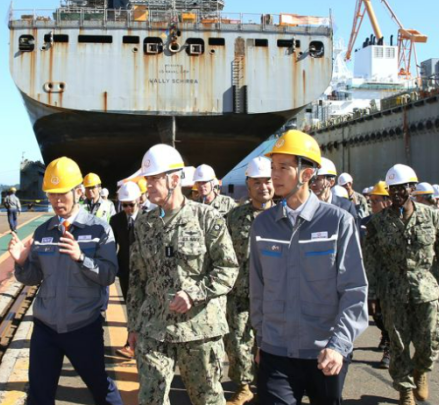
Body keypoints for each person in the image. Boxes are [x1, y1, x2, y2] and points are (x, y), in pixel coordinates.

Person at [249, 130, 368, 405]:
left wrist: (338, 346)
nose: (273, 176)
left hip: (325, 355)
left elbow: (354, 289)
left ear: (306, 173)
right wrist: (262, 340)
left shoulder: (338, 223)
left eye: (283, 168)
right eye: (272, 167)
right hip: (275, 353)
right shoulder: (263, 225)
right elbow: (258, 288)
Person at [127, 144, 238, 405]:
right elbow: (137, 278)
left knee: (207, 399)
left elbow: (228, 269)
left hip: (199, 330)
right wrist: (133, 325)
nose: (149, 186)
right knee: (151, 399)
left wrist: (194, 293)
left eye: (155, 179)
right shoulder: (144, 223)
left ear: (174, 180)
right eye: (147, 179)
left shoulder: (207, 218)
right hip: (154, 329)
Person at [9, 156, 122, 405]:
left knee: (101, 388)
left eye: (62, 194)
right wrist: (21, 263)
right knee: (39, 394)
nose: (57, 201)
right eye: (52, 194)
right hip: (45, 327)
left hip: (83, 325)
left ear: (78, 191)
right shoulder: (43, 231)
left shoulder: (100, 230)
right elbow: (34, 277)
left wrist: (81, 258)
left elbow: (108, 275)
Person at [364, 164, 439, 405]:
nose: (396, 193)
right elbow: (371, 261)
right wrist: (372, 295)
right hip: (392, 291)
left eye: (402, 187)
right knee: (398, 345)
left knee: (429, 340)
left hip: (426, 289)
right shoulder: (378, 223)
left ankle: (422, 371)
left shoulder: (434, 217)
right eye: (392, 188)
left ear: (412, 188)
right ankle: (405, 390)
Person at [225, 157, 274, 405]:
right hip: (240, 294)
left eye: (267, 181)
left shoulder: (284, 215)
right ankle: (244, 386)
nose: (263, 187)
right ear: (249, 184)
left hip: (275, 295)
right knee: (237, 342)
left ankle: (270, 385)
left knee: (274, 343)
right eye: (257, 182)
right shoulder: (234, 217)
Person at [360, 181, 392, 369]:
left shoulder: (397, 224)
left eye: (375, 201)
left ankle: (389, 348)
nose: (371, 205)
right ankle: (386, 336)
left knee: (391, 317)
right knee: (378, 316)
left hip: (392, 281)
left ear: (386, 202)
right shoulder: (366, 224)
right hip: (372, 279)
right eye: (370, 201)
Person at [109, 181, 142, 359]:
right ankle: (131, 342)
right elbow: (112, 246)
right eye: (124, 205)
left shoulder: (149, 218)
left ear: (139, 200)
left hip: (146, 273)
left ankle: (142, 343)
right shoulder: (116, 220)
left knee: (145, 307)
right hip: (125, 272)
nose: (128, 208)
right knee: (131, 307)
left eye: (131, 204)